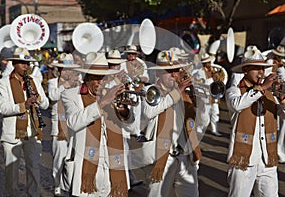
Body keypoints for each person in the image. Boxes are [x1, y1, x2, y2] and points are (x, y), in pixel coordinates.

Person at [61, 52, 131, 196]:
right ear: (86, 78)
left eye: (103, 78)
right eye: (96, 78)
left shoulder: (111, 93)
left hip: (112, 166)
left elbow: (133, 128)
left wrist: (124, 112)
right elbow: (73, 122)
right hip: (86, 168)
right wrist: (104, 102)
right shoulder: (70, 95)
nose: (100, 83)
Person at [225, 45, 285, 197]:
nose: (261, 72)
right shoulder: (235, 90)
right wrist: (263, 88)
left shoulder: (269, 94)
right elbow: (237, 105)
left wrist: (283, 101)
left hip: (267, 159)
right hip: (243, 159)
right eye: (256, 68)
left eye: (263, 68)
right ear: (245, 70)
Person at [142, 50, 201, 197]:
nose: (174, 75)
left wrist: (192, 91)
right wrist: (176, 92)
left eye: (175, 70)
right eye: (168, 71)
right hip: (162, 157)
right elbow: (149, 112)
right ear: (158, 74)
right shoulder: (149, 91)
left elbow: (197, 118)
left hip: (185, 157)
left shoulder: (184, 93)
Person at [0, 47, 49, 196]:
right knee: (11, 170)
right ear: (14, 64)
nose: (26, 66)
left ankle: (33, 193)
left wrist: (38, 98)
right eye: (22, 63)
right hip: (12, 133)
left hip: (32, 131)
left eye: (28, 63)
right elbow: (3, 108)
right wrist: (23, 105)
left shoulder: (35, 81)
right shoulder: (3, 83)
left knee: (34, 166)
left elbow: (45, 104)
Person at [47, 53, 81, 196]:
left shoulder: (77, 82)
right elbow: (53, 96)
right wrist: (64, 86)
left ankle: (71, 183)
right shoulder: (53, 83)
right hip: (58, 128)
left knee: (73, 158)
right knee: (58, 159)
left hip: (74, 126)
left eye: (70, 69)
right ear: (60, 70)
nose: (68, 72)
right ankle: (56, 184)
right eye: (65, 69)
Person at [193, 53, 223, 136]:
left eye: (210, 62)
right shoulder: (200, 72)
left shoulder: (212, 70)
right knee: (204, 113)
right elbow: (201, 84)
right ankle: (200, 127)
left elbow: (218, 81)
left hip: (214, 94)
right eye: (208, 62)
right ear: (204, 63)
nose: (210, 64)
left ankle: (214, 129)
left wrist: (216, 77)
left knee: (215, 112)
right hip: (205, 95)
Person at [266, 42, 285, 163]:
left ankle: (279, 149)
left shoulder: (281, 67)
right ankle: (278, 150)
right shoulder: (271, 64)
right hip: (270, 94)